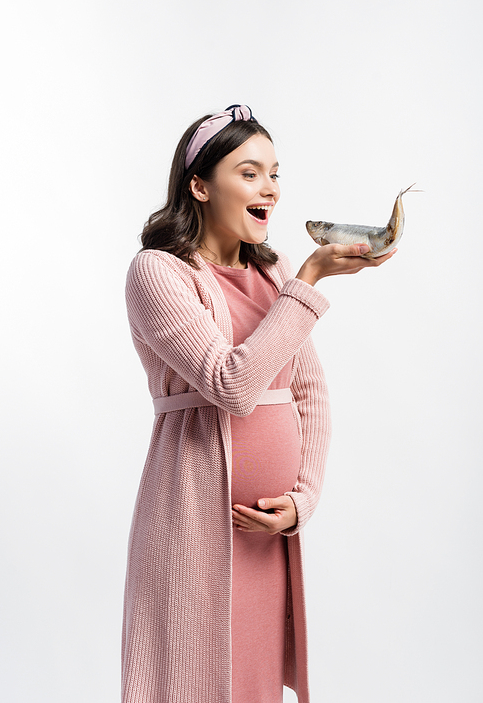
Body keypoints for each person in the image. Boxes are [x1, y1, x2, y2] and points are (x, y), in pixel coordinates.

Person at [122, 105, 395, 703]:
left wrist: (303, 499)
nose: (269, 187)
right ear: (199, 186)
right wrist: (311, 281)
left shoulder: (271, 276)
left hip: (265, 536)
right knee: (191, 677)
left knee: (253, 684)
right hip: (193, 521)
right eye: (249, 172)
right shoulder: (157, 274)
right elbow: (232, 384)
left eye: (275, 173)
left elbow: (309, 391)